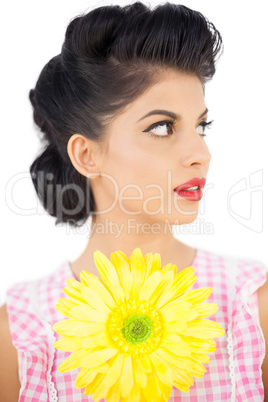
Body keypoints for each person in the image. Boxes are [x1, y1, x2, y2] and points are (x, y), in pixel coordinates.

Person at [0, 1, 267, 401]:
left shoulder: (251, 309)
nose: (200, 153)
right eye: (162, 127)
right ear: (86, 155)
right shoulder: (21, 333)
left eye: (201, 126)